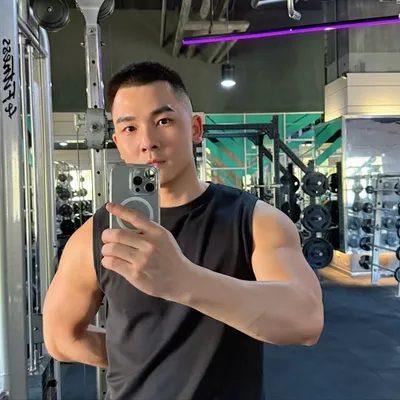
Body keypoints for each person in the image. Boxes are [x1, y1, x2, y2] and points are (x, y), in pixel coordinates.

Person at [43, 61, 324, 400]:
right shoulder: (97, 235)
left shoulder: (255, 221)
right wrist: (145, 360)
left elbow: (306, 320)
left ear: (195, 128)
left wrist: (183, 280)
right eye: (130, 128)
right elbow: (60, 338)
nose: (148, 142)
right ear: (117, 141)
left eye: (163, 121)